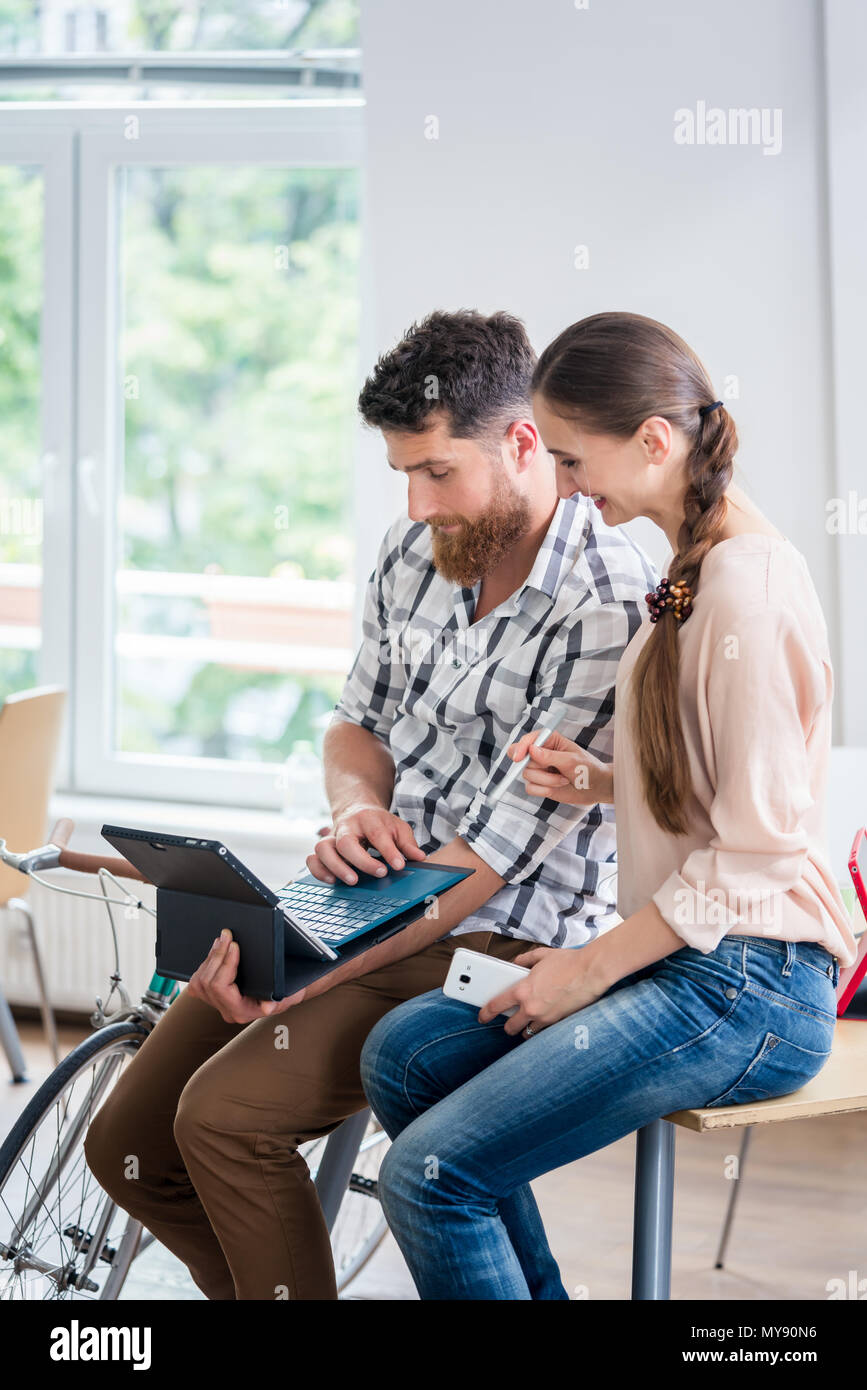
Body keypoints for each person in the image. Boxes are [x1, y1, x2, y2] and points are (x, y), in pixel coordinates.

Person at [83, 308, 657, 1300]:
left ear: (525, 442)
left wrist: (299, 973)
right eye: (402, 473)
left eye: (437, 471)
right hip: (373, 900)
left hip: (494, 937)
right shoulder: (416, 554)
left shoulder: (606, 600)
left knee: (220, 1121)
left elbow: (482, 866)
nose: (417, 500)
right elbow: (356, 727)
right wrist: (354, 810)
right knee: (124, 1142)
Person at [359, 310, 859, 1301]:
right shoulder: (694, 564)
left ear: (655, 442)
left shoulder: (747, 594)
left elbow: (757, 851)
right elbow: (722, 775)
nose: (568, 482)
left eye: (576, 458)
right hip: (693, 955)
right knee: (406, 1054)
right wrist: (599, 779)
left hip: (748, 984)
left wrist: (591, 967)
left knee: (429, 1176)